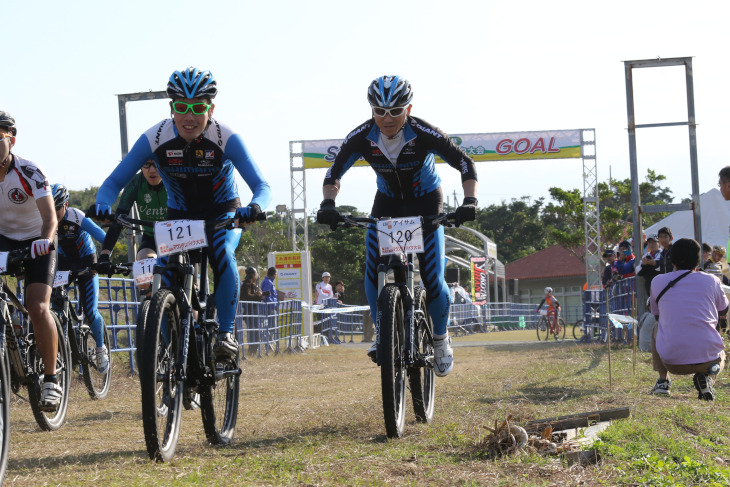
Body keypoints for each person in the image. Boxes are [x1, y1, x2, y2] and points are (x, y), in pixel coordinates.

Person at [94, 67, 272, 360]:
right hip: (180, 215)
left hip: (222, 211)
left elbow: (262, 186)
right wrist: (103, 203)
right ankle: (169, 348)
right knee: (162, 275)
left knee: (223, 254)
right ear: (171, 108)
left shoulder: (225, 137)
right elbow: (114, 182)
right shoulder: (156, 137)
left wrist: (253, 208)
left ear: (210, 108)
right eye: (181, 107)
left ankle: (225, 334)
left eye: (198, 107)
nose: (189, 116)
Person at [316, 75, 478, 377]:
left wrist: (469, 201)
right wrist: (328, 205)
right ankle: (384, 333)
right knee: (372, 267)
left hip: (427, 202)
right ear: (371, 110)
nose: (387, 118)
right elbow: (334, 172)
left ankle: (441, 340)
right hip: (388, 204)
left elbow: (465, 162)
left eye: (395, 110)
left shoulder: (424, 131)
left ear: (409, 108)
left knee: (431, 277)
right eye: (379, 111)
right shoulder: (362, 137)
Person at [0, 110, 61, 411]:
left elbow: (50, 218)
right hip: (3, 239)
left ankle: (51, 379)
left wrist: (44, 240)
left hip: (38, 238)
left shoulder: (29, 171)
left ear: (11, 138)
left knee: (37, 306)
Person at [649, 238, 728, 400]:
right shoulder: (711, 280)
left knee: (658, 327)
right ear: (699, 260)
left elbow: (657, 316)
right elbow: (724, 309)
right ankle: (708, 379)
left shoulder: (658, 281)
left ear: (672, 260)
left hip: (672, 362)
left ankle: (663, 381)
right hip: (708, 360)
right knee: (720, 352)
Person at [52, 184, 110, 373]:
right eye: (48, 207)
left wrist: (104, 259)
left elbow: (104, 237)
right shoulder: (45, 219)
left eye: (56, 208)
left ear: (66, 205)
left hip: (87, 263)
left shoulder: (76, 216)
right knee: (53, 306)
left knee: (90, 311)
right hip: (63, 265)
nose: (52, 213)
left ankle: (101, 349)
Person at [99, 158, 167, 262]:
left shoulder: (174, 181)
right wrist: (104, 255)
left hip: (176, 236)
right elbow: (118, 220)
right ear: (140, 166)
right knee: (144, 260)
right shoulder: (135, 183)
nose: (152, 170)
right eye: (146, 164)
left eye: (156, 164)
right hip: (151, 237)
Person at [239, 267, 263, 354]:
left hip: (252, 311)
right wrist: (259, 295)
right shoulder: (246, 285)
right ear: (253, 275)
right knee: (253, 332)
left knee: (254, 331)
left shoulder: (251, 284)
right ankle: (252, 351)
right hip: (249, 312)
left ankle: (253, 350)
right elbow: (247, 297)